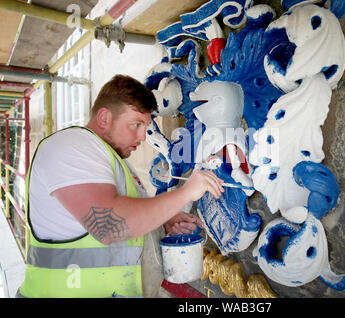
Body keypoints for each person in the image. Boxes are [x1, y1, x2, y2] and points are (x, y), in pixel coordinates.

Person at [17, 75, 224, 298]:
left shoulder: (113, 162)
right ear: (105, 118)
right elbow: (108, 224)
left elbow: (122, 225)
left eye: (145, 126)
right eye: (136, 124)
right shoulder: (70, 146)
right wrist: (186, 193)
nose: (143, 136)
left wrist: (161, 223)